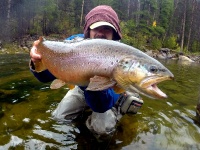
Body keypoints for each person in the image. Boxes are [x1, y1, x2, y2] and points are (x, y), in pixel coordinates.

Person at [29, 5, 143, 140]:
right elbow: (44, 76)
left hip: (108, 92)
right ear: (88, 29)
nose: (101, 32)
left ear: (114, 34)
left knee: (102, 130)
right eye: (97, 27)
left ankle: (119, 107)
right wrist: (36, 60)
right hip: (81, 88)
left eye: (107, 29)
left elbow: (100, 106)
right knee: (59, 117)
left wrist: (91, 79)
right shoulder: (73, 43)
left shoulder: (122, 54)